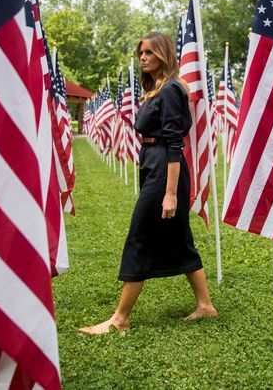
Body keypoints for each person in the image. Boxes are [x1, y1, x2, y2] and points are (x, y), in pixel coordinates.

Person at [79, 32, 218, 335]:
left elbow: (174, 143)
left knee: (139, 236)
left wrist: (169, 193)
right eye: (141, 53)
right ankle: (205, 306)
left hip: (164, 171)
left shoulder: (170, 90)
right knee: (179, 237)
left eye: (150, 53)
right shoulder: (157, 89)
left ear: (163, 56)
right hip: (153, 164)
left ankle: (119, 319)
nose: (143, 58)